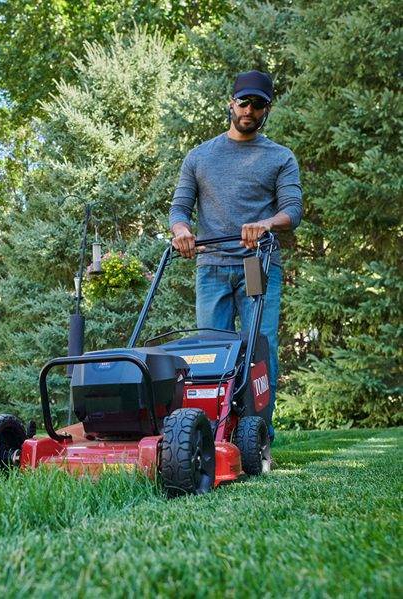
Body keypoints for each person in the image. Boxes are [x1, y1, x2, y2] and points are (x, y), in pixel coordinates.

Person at [169, 70, 303, 441]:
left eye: (257, 104)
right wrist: (181, 230)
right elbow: (180, 207)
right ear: (231, 103)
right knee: (207, 353)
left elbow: (292, 210)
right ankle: (213, 433)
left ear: (266, 110)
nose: (249, 110)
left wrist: (266, 223)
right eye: (243, 101)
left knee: (261, 349)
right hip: (211, 266)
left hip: (255, 265)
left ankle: (259, 436)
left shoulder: (280, 157)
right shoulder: (200, 156)